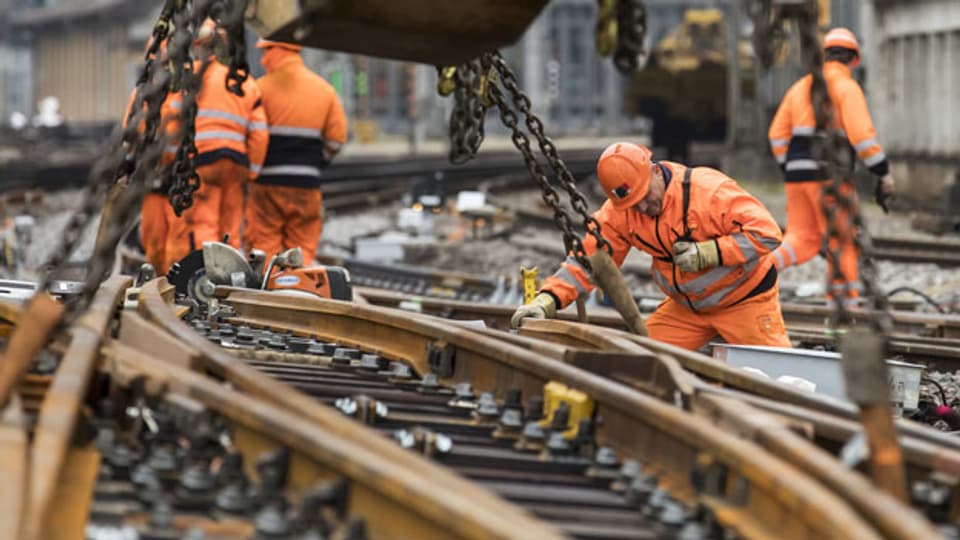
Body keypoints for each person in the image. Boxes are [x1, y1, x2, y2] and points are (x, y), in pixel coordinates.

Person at [511, 142, 791, 351]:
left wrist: (711, 252)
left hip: (745, 301)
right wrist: (547, 300)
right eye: (634, 205)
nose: (644, 208)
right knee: (639, 362)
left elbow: (767, 232)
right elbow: (587, 259)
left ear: (655, 171)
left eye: (646, 196)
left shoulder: (708, 192)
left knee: (779, 382)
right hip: (686, 311)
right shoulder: (622, 213)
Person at [768, 27, 895, 307]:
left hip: (796, 174)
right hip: (830, 176)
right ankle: (843, 307)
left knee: (801, 238)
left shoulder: (800, 87)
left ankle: (761, 270)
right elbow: (863, 139)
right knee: (842, 240)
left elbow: (777, 135)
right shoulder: (848, 88)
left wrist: (789, 167)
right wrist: (883, 172)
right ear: (854, 60)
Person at [133, 21, 268, 273]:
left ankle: (208, 276)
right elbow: (259, 133)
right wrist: (253, 171)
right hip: (237, 163)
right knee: (231, 223)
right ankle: (234, 277)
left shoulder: (188, 81)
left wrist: (171, 161)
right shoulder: (245, 82)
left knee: (203, 222)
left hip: (202, 163)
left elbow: (171, 123)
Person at [246, 39, 348, 264]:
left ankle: (268, 292)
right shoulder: (325, 90)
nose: (263, 59)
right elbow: (337, 138)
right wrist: (317, 162)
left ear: (276, 51)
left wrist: (252, 168)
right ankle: (298, 289)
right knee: (301, 250)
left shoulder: (260, 88)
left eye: (265, 52)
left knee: (265, 244)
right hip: (306, 184)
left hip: (267, 183)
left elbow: (251, 133)